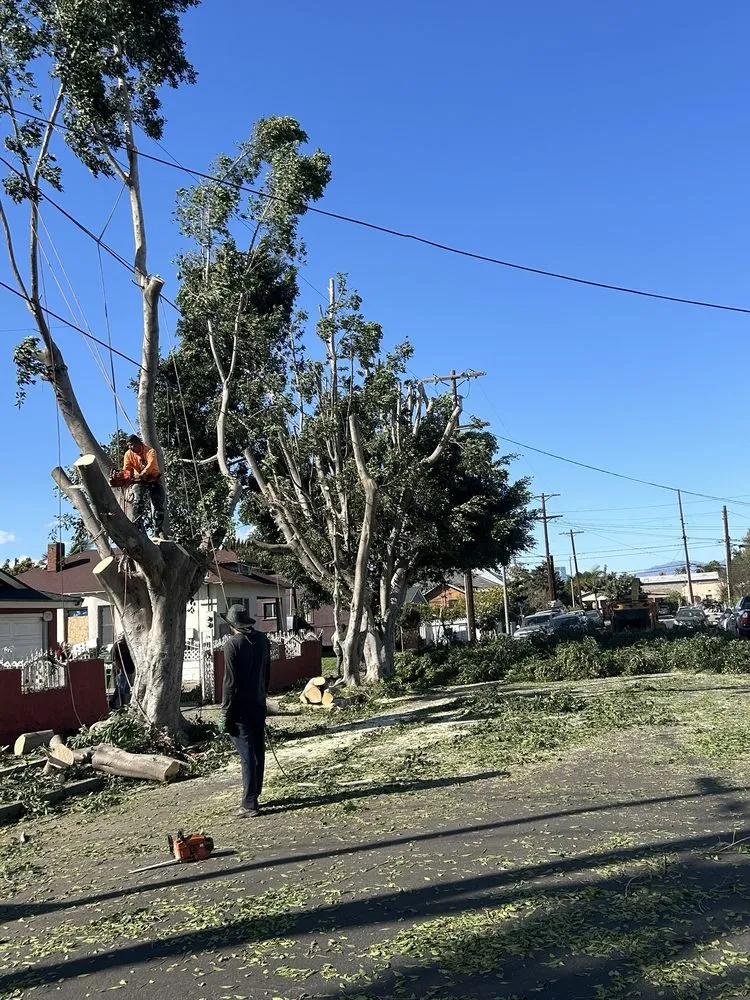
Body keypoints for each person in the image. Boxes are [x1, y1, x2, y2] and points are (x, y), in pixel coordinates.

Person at [219, 604, 271, 818]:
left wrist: (225, 712)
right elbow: (267, 672)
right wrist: (263, 696)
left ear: (232, 625)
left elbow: (229, 683)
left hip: (239, 707)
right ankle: (255, 794)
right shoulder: (262, 640)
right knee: (258, 750)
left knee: (247, 754)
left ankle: (249, 804)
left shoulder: (232, 645)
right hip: (258, 703)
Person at [123, 434, 166, 537]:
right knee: (137, 501)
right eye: (129, 445)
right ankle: (137, 525)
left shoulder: (150, 451)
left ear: (138, 443)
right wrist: (125, 477)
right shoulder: (128, 454)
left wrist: (143, 474)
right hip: (139, 480)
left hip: (153, 478)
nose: (130, 447)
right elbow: (127, 469)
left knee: (158, 503)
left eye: (132, 445)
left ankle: (158, 530)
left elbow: (151, 465)